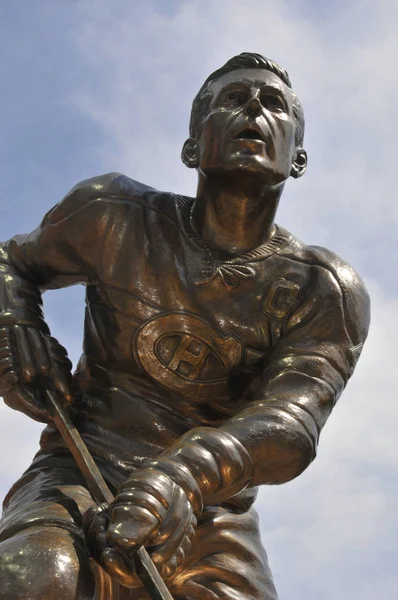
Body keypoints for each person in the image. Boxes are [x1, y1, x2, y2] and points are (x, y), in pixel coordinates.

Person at [0, 52, 370, 600]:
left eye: (274, 105)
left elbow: (291, 425)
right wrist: (14, 324)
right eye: (234, 99)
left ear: (298, 157)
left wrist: (183, 477)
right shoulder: (111, 214)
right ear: (193, 145)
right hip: (79, 466)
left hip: (212, 513)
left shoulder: (325, 291)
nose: (254, 111)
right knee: (35, 576)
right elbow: (12, 261)